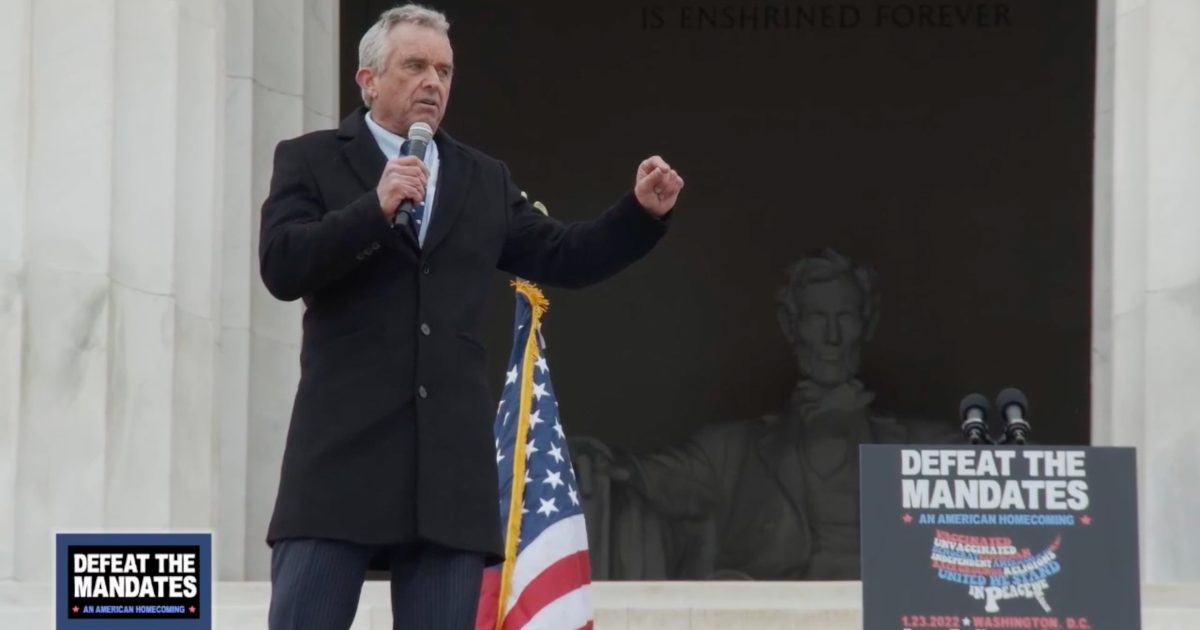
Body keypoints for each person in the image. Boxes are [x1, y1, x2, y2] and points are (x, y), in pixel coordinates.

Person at [256, 4, 684, 630]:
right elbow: (281, 265)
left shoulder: (481, 179)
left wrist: (640, 215)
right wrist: (373, 209)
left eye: (444, 71)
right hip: (338, 461)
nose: (433, 82)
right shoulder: (312, 159)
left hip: (448, 473)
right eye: (415, 66)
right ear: (369, 80)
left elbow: (562, 253)